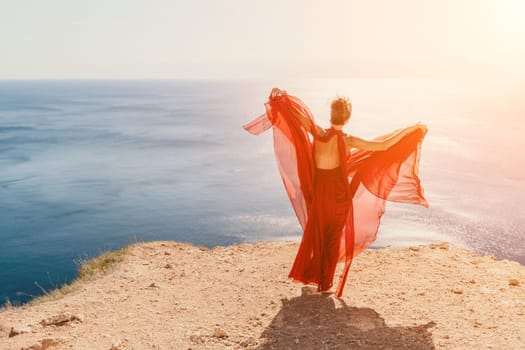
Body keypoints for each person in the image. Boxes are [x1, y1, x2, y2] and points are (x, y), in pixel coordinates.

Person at [244, 88, 428, 297]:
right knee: (332, 238)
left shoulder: (318, 132)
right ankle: (325, 283)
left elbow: (296, 116)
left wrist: (280, 99)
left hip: (320, 193)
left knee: (318, 234)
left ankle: (313, 276)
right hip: (339, 196)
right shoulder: (348, 140)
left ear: (332, 114)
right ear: (347, 118)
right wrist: (410, 130)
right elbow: (383, 145)